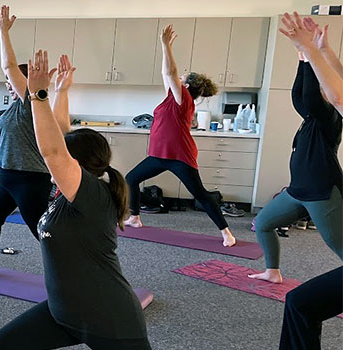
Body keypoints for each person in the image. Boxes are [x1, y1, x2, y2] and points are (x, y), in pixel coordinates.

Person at [0, 6, 150, 349]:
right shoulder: (69, 189)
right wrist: (61, 91)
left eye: (66, 156)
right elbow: (60, 133)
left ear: (76, 165)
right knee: (7, 342)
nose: (57, 158)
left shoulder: (91, 194)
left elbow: (53, 151)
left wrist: (38, 95)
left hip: (110, 319)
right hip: (65, 313)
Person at [254, 13, 342, 350]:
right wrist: (307, 54)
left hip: (322, 193)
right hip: (297, 192)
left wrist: (310, 55)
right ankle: (272, 270)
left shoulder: (327, 117)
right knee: (262, 222)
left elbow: (323, 96)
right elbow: (299, 96)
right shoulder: (309, 118)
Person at [123, 24, 237, 247]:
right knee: (132, 179)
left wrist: (166, 46)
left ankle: (226, 233)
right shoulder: (172, 97)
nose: (178, 78)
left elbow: (170, 73)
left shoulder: (183, 100)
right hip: (159, 155)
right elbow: (167, 75)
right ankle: (135, 217)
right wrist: (165, 51)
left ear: (186, 86)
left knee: (201, 195)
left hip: (179, 156)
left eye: (182, 78)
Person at [0, 56, 74, 275]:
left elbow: (10, 67)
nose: (8, 84)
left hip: (28, 180)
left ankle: (71, 274)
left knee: (43, 231)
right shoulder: (16, 106)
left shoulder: (29, 105)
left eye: (11, 81)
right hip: (7, 179)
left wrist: (3, 31)